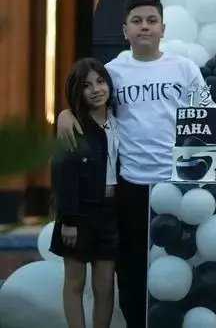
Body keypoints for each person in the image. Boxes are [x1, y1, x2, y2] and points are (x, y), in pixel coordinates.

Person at [57, 0, 213, 327]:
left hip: (177, 185)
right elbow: (88, 106)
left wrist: (204, 181)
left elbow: (208, 119)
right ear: (125, 30)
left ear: (163, 29)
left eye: (152, 21)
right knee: (130, 269)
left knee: (180, 263)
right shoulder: (113, 72)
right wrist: (64, 114)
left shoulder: (184, 69)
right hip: (130, 186)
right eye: (137, 21)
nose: (145, 27)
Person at [50, 58, 119, 328]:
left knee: (105, 284)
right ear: (78, 91)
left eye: (100, 82)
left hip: (111, 213)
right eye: (87, 85)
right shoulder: (73, 127)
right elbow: (63, 176)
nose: (96, 90)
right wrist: (69, 220)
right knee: (75, 281)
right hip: (79, 212)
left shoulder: (121, 121)